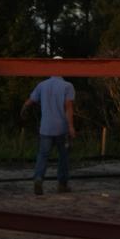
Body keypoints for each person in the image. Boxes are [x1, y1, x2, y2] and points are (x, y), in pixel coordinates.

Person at [21, 57, 76, 195]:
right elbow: (68, 108)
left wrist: (23, 108)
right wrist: (71, 126)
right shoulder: (67, 86)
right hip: (61, 128)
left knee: (42, 155)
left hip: (45, 128)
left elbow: (30, 101)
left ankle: (38, 179)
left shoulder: (42, 85)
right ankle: (62, 185)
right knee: (63, 156)